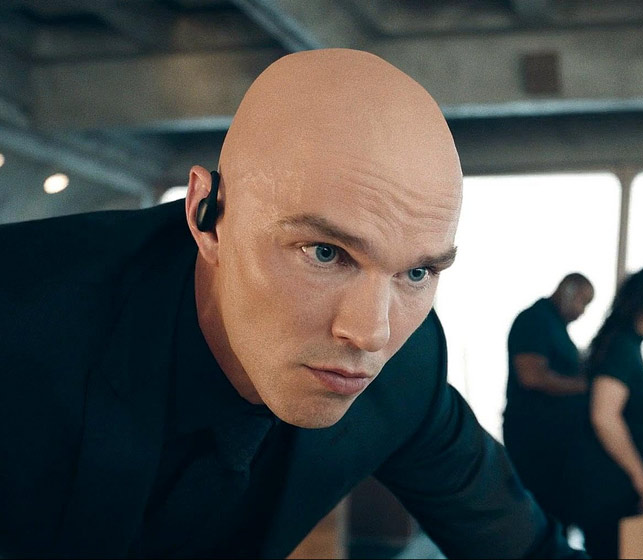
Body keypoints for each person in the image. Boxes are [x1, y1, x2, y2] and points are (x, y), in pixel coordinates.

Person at [0, 49, 586, 559]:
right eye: (326, 253)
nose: (371, 333)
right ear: (207, 215)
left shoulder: (406, 371)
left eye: (416, 272)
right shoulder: (22, 314)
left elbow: (529, 550)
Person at [564, 264, 643, 559]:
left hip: (612, 485)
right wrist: (641, 478)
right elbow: (604, 417)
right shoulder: (622, 348)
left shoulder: (629, 346)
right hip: (607, 488)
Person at [503, 273, 594, 527]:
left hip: (554, 442)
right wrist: (587, 386)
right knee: (537, 516)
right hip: (535, 440)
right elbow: (531, 377)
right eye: (583, 301)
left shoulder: (555, 326)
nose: (583, 311)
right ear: (568, 290)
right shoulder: (535, 320)